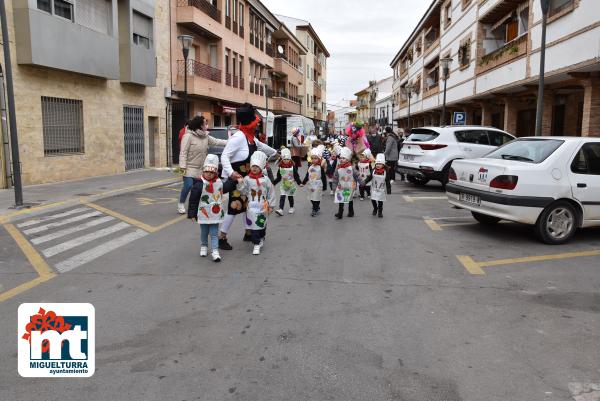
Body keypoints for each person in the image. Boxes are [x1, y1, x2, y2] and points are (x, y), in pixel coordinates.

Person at [219, 103, 277, 250]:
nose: (257, 126)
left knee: (247, 207)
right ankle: (222, 237)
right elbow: (225, 156)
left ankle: (248, 232)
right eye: (255, 123)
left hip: (249, 180)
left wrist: (277, 153)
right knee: (234, 208)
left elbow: (263, 147)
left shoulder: (250, 138)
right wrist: (232, 173)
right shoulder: (238, 137)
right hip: (238, 180)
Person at [187, 155, 241, 262]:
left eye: (212, 173)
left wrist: (233, 180)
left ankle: (215, 250)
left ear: (215, 173)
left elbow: (225, 188)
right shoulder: (199, 184)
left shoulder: (218, 183)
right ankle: (204, 246)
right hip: (203, 213)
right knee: (204, 232)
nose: (209, 174)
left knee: (214, 233)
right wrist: (192, 213)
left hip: (215, 214)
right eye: (207, 172)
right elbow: (193, 200)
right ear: (203, 171)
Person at [178, 116, 228, 214]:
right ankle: (181, 203)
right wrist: (182, 167)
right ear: (200, 125)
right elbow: (183, 152)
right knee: (188, 186)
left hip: (201, 169)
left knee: (199, 188)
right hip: (188, 167)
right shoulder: (188, 136)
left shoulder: (206, 136)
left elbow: (217, 141)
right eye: (205, 123)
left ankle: (195, 205)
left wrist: (231, 142)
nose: (207, 125)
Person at [237, 151, 277, 255]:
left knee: (261, 224)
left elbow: (271, 192)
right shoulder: (247, 179)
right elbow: (243, 192)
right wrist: (241, 184)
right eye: (253, 166)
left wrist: (272, 205)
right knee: (254, 227)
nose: (254, 168)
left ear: (261, 168)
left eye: (257, 167)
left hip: (263, 206)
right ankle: (256, 244)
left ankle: (262, 236)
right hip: (251, 206)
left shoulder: (265, 179)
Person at [333, 147, 364, 219]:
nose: (341, 160)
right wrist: (334, 187)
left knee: (349, 199)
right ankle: (340, 213)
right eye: (340, 158)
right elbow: (335, 178)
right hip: (341, 186)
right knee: (341, 199)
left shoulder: (352, 168)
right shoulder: (338, 168)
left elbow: (357, 175)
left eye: (343, 158)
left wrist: (361, 182)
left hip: (350, 186)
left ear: (347, 159)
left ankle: (351, 211)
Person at [273, 148, 301, 216]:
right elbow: (279, 177)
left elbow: (296, 176)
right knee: (282, 196)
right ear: (282, 159)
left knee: (290, 196)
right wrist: (273, 183)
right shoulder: (280, 167)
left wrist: (300, 183)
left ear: (290, 159)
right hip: (283, 184)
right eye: (285, 159)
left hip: (291, 185)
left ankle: (291, 207)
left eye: (287, 159)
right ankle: (281, 209)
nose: (286, 161)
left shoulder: (292, 167)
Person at [302, 147, 328, 217]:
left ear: (319, 159)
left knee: (316, 197)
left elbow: (324, 177)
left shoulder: (320, 168)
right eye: (312, 158)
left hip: (318, 184)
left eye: (315, 158)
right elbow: (307, 175)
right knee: (311, 197)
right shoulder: (310, 167)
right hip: (311, 184)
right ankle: (316, 207)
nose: (313, 160)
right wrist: (303, 182)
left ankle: (315, 209)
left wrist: (325, 186)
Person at [366, 154, 388, 218]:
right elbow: (369, 178)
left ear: (383, 165)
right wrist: (364, 182)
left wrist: (389, 189)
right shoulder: (373, 171)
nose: (378, 165)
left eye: (380, 164)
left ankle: (380, 212)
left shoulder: (386, 172)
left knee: (380, 201)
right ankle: (375, 208)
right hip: (374, 189)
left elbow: (387, 181)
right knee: (373, 199)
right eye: (377, 164)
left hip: (381, 189)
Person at [384, 126, 400, 192]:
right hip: (394, 155)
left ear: (386, 132)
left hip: (391, 156)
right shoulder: (394, 136)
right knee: (392, 167)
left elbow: (388, 148)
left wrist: (384, 154)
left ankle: (391, 179)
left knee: (389, 168)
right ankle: (392, 179)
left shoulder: (390, 138)